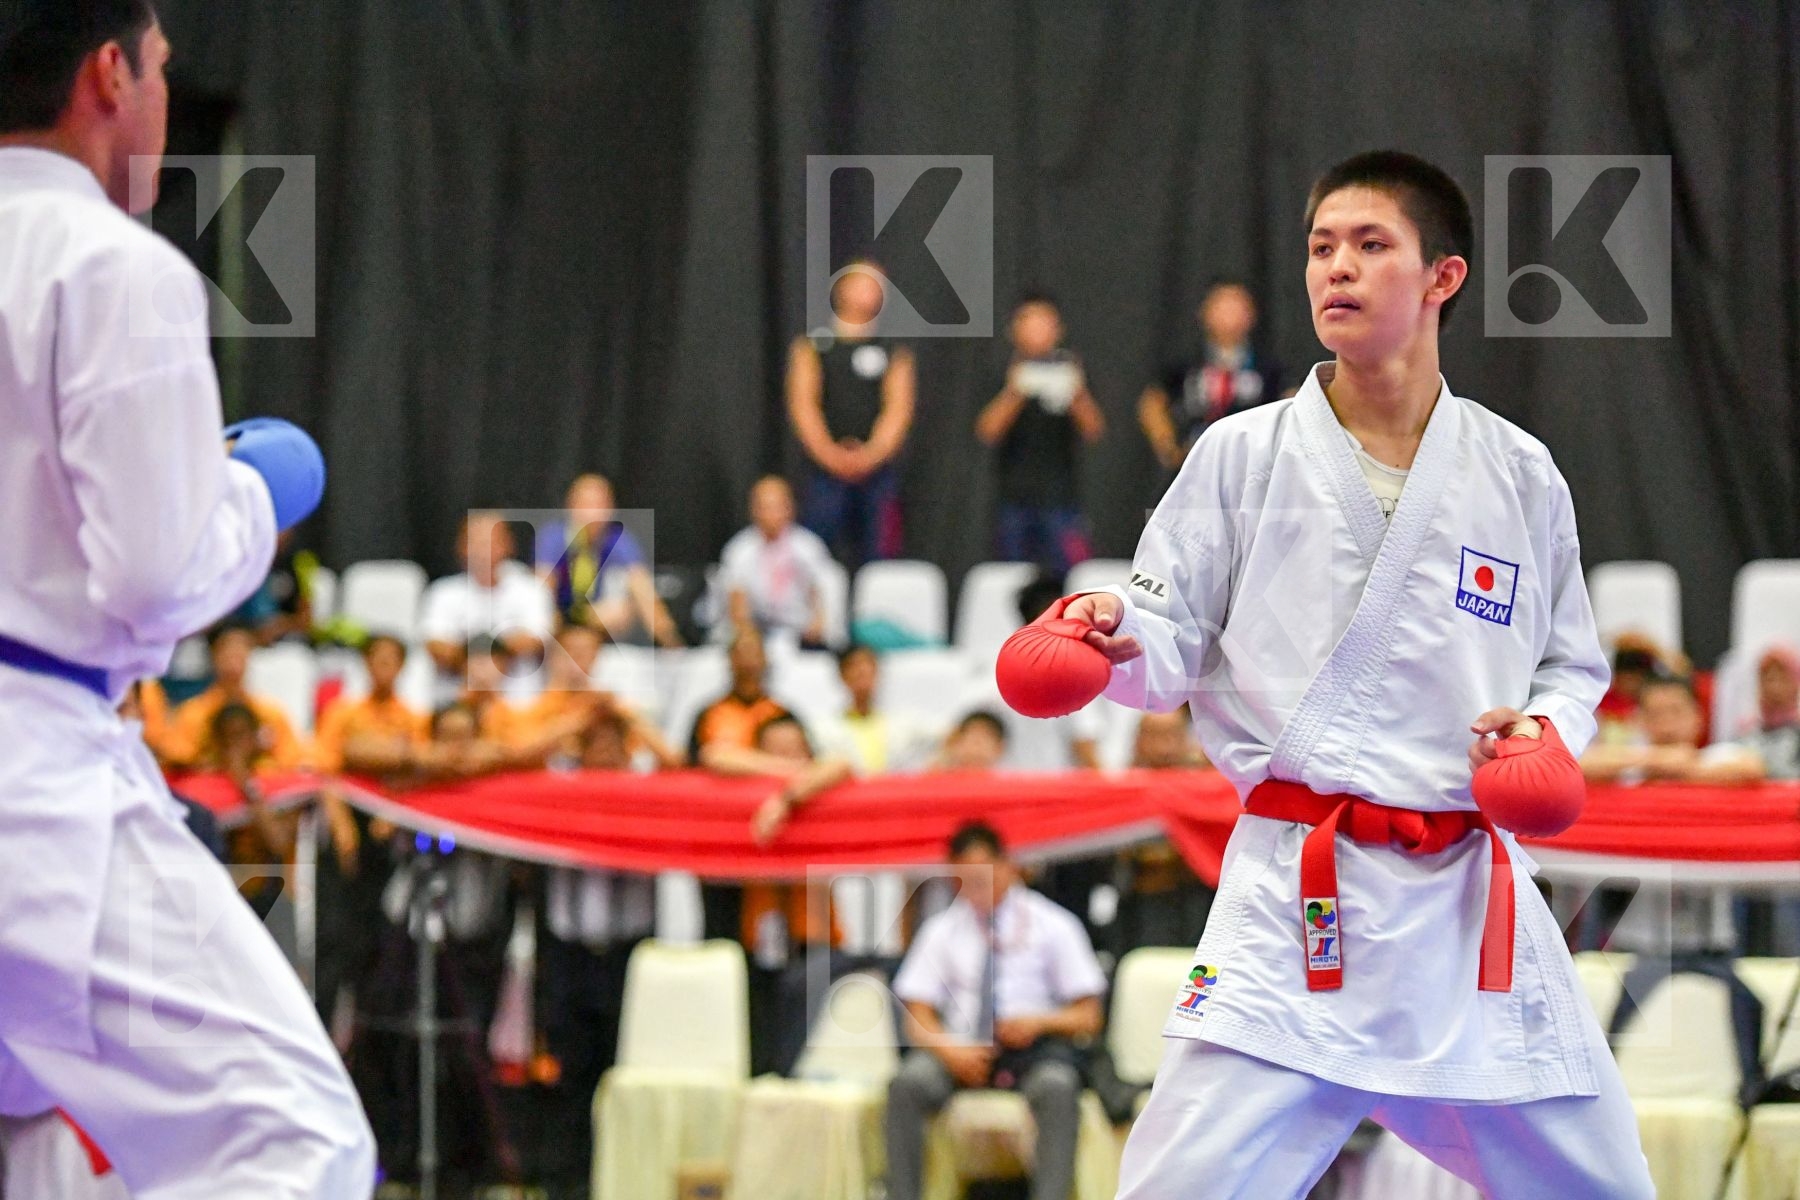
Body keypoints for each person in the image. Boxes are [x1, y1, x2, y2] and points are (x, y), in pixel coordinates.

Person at [1034, 151, 1652, 1196]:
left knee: (1607, 1189)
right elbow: (1168, 629)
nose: (1339, 270)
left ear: (1442, 278)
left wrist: (1545, 735)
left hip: (1468, 914)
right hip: (1297, 902)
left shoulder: (1518, 473)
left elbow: (1570, 664)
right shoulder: (1241, 455)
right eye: (1323, 248)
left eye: (1372, 246)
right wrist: (1112, 631)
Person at [0, 6, 373, 1196]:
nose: (163, 97)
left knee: (42, 1141)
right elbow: (156, 573)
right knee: (296, 1141)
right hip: (35, 785)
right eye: (161, 68)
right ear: (108, 73)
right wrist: (249, 494)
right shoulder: (111, 263)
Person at [885, 821, 1105, 1200]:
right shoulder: (942, 930)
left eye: (981, 875)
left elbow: (1088, 1015)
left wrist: (1038, 1022)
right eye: (963, 879)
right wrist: (951, 1051)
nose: (974, 888)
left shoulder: (1054, 925)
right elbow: (916, 1015)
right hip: (961, 1051)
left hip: (1031, 1052)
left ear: (1007, 865)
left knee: (1058, 1086)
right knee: (907, 1084)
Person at [789, 259, 916, 569]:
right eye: (862, 282)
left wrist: (870, 456)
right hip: (824, 471)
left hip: (877, 472)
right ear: (841, 288)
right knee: (818, 551)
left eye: (877, 286)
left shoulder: (893, 349)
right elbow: (804, 404)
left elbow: (898, 409)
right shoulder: (815, 345)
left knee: (878, 555)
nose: (870, 292)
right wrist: (831, 455)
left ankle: (872, 615)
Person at [976, 292, 1105, 573]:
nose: (1037, 330)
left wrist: (1075, 390)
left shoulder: (1071, 369)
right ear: (1014, 329)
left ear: (1058, 329)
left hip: (1061, 498)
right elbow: (987, 431)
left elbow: (1094, 429)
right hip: (1014, 498)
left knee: (1071, 576)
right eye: (1029, 322)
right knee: (1012, 579)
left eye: (1044, 322)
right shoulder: (1002, 370)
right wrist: (1015, 390)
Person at [1137, 280, 1283, 476]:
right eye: (1222, 305)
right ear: (1205, 313)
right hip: (1195, 468)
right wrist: (1169, 448)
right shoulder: (1186, 366)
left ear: (1252, 315)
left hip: (1252, 471)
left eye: (1237, 306)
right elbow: (1152, 403)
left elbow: (1290, 404)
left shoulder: (1268, 369)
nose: (1230, 314)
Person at [535, 473, 682, 647]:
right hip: (558, 625)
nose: (593, 513)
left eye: (600, 504)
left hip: (597, 626)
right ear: (571, 506)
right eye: (586, 505)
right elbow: (542, 591)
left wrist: (671, 642)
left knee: (621, 611)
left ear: (611, 508)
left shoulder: (619, 541)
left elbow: (644, 591)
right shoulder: (553, 538)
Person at [419, 512, 557, 698]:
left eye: (491, 540)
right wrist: (480, 663)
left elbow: (535, 639)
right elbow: (435, 644)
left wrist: (479, 652)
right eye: (476, 541)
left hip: (519, 702)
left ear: (508, 544)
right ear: (462, 546)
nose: (483, 549)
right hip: (456, 700)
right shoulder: (442, 592)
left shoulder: (531, 590)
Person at [157, 621, 309, 769]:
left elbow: (292, 763)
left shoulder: (271, 713)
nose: (234, 657)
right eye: (227, 649)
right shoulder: (193, 713)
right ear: (213, 654)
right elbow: (176, 761)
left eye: (242, 648)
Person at [715, 475, 836, 648]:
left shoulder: (808, 546)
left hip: (800, 632)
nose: (770, 514)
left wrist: (817, 625)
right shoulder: (739, 550)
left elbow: (821, 592)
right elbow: (737, 604)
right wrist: (747, 634)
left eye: (777, 507)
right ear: (753, 510)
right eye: (764, 507)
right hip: (757, 633)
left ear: (790, 508)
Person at [1580, 673, 1765, 786]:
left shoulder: (1717, 756)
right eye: (1655, 714)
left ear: (1698, 716)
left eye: (1676, 712)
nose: (1667, 724)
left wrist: (1684, 768)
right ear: (1640, 720)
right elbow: (1578, 767)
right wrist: (1655, 760)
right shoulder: (1630, 768)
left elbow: (1752, 768)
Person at [811, 642, 942, 774]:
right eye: (854, 666)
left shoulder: (905, 723)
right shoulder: (822, 729)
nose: (862, 671)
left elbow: (947, 736)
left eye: (869, 665)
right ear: (842, 675)